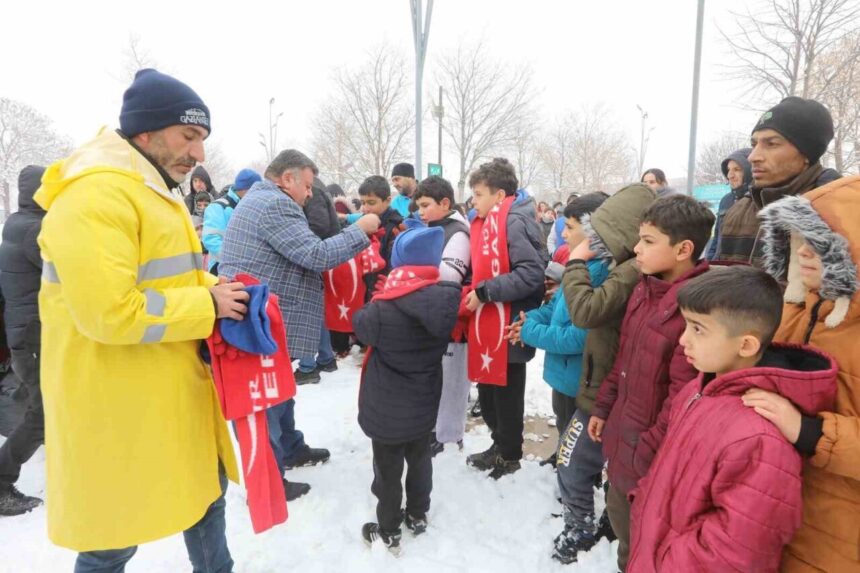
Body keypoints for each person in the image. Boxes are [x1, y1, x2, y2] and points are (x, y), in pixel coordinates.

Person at [35, 68, 248, 571]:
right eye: (188, 136)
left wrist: (219, 288)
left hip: (167, 395)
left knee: (206, 502)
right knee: (111, 542)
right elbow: (109, 313)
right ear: (145, 133)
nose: (198, 154)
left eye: (202, 140)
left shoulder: (149, 189)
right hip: (119, 409)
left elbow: (164, 278)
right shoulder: (96, 195)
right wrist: (207, 306)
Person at [627, 267, 837, 571]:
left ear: (747, 345)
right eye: (686, 325)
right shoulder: (698, 389)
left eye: (698, 329)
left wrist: (667, 560)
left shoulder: (760, 435)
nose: (683, 340)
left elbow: (738, 553)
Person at [218, 149, 381, 501]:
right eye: (307, 186)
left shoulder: (263, 200)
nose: (310, 193)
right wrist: (362, 230)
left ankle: (290, 449)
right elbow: (316, 254)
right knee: (269, 401)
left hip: (262, 319)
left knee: (281, 390)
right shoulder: (275, 204)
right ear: (286, 178)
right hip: (261, 323)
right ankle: (271, 478)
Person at [587, 195, 715, 571]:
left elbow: (683, 399)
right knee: (625, 538)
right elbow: (622, 360)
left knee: (645, 550)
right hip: (623, 447)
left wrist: (644, 452)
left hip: (651, 462)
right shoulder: (645, 289)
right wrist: (604, 407)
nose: (636, 249)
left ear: (683, 249)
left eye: (647, 240)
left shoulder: (697, 309)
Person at [755, 177, 860, 572]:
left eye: (825, 242)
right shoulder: (793, 310)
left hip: (837, 536)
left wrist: (810, 432)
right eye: (798, 238)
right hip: (777, 509)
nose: (803, 252)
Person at [552, 183, 656, 564]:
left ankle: (580, 527)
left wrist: (576, 262)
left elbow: (586, 312)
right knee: (593, 463)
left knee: (573, 460)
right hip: (606, 386)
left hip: (607, 391)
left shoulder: (629, 271)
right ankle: (600, 524)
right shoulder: (625, 265)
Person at [354, 224, 461, 555]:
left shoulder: (383, 309)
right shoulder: (444, 300)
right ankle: (417, 513)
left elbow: (360, 327)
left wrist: (379, 296)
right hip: (424, 402)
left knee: (387, 471)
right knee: (420, 459)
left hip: (386, 408)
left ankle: (388, 527)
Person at [463, 158, 546, 479]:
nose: (473, 201)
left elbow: (530, 275)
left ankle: (509, 454)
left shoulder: (513, 222)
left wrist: (484, 292)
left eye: (479, 194)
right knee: (488, 392)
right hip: (489, 322)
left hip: (508, 323)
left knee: (506, 395)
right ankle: (498, 444)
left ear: (499, 195)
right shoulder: (490, 222)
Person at [509, 193, 609, 445]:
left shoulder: (602, 273)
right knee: (565, 427)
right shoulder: (581, 266)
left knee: (577, 442)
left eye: (571, 228)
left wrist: (529, 331)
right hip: (564, 374)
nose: (563, 234)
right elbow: (556, 307)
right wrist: (527, 319)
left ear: (592, 230)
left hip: (579, 378)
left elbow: (579, 337)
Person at [715, 96, 839, 267]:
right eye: (754, 144)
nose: (753, 156)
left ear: (806, 154)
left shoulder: (836, 211)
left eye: (771, 144)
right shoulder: (737, 210)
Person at [413, 176, 471, 455]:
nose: (420, 212)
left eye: (425, 205)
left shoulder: (457, 232)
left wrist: (414, 273)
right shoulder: (437, 227)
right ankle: (436, 427)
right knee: (438, 376)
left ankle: (447, 433)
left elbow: (449, 276)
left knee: (452, 379)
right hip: (435, 313)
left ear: (445, 202)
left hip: (453, 318)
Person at [0, 165, 46, 515]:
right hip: (32, 334)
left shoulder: (17, 223)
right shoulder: (34, 229)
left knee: (44, 403)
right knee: (40, 413)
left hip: (25, 331)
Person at [294, 176, 343, 384]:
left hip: (311, 255)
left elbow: (318, 225)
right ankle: (325, 357)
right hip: (318, 254)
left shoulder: (311, 191)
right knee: (314, 307)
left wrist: (299, 242)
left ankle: (307, 367)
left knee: (305, 308)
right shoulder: (316, 189)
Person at [202, 168, 261, 273]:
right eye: (257, 190)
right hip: (221, 268)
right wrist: (235, 261)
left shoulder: (253, 205)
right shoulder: (218, 207)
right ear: (246, 189)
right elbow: (211, 240)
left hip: (248, 269)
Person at [356, 175, 405, 298]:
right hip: (363, 290)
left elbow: (393, 267)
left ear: (388, 200)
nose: (366, 208)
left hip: (382, 292)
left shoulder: (396, 227)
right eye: (363, 203)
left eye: (371, 203)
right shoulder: (361, 224)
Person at [704, 148, 751, 261]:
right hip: (720, 266)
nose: (730, 175)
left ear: (750, 171)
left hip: (744, 270)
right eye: (728, 170)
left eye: (737, 169)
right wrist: (709, 261)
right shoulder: (726, 200)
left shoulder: (760, 200)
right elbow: (717, 237)